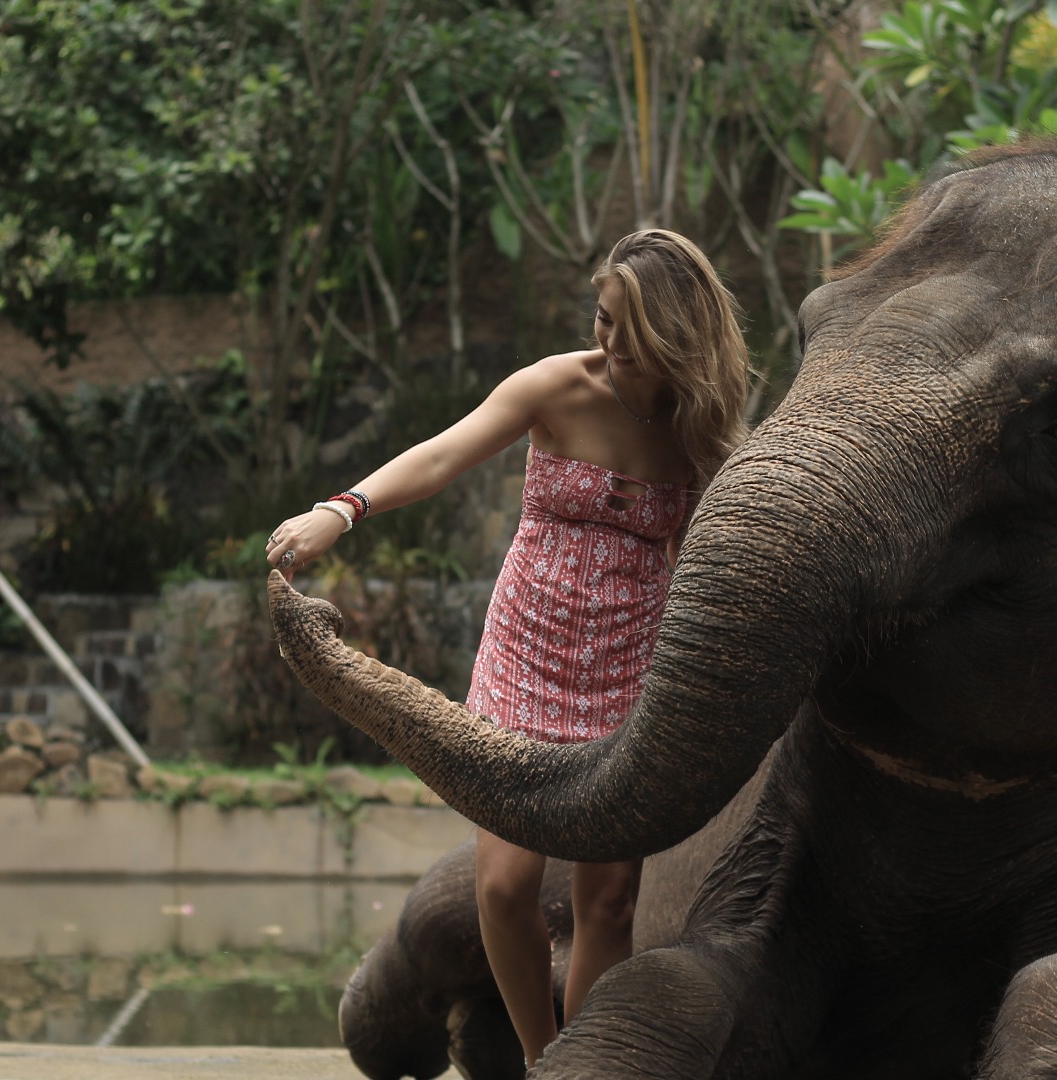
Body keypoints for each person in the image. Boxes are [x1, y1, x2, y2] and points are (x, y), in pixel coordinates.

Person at [264, 228, 751, 1066]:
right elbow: (443, 452)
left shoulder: (699, 423)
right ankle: (539, 1055)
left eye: (628, 332)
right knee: (502, 884)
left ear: (675, 335)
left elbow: (715, 547)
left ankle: (580, 1069)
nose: (607, 343)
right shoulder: (556, 386)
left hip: (631, 664)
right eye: (601, 319)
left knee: (607, 901)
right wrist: (339, 510)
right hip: (527, 651)